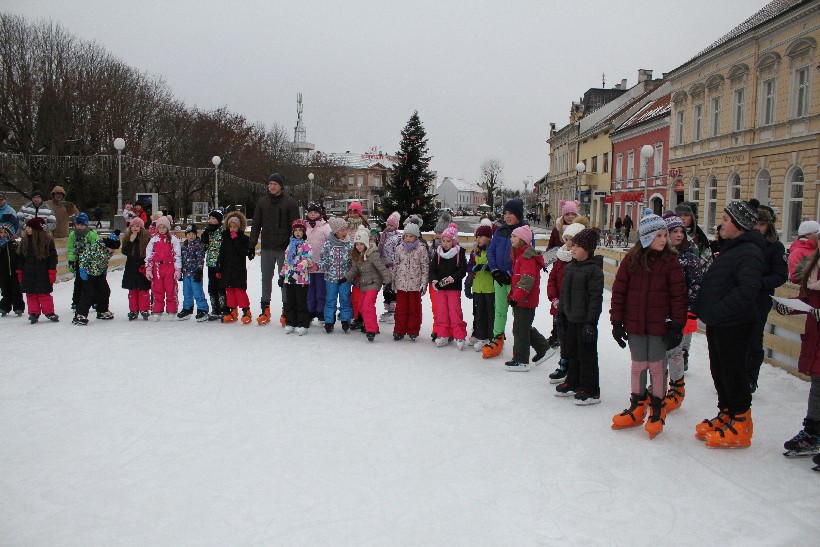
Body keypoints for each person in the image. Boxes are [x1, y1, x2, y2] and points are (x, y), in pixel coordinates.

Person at [610, 209, 687, 439]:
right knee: (637, 365)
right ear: (645, 237)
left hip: (659, 326)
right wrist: (616, 321)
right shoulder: (631, 260)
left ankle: (657, 408)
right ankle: (637, 406)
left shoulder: (671, 262)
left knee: (655, 366)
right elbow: (619, 291)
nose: (664, 240)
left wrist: (677, 325)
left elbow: (679, 296)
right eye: (659, 236)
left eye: (665, 235)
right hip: (635, 325)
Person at [693, 200, 763, 448]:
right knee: (720, 371)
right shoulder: (731, 248)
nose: (719, 224)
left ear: (739, 225)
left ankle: (742, 421)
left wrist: (716, 311)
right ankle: (727, 412)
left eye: (725, 220)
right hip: (720, 323)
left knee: (733, 371)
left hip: (735, 324)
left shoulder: (749, 252)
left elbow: (747, 290)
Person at [775, 247, 820, 462]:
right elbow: (808, 300)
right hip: (816, 339)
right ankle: (813, 433)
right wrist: (788, 307)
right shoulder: (814, 268)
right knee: (817, 387)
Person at [553, 228, 605, 402]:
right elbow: (563, 294)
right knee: (572, 352)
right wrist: (560, 315)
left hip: (585, 321)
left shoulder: (594, 271)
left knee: (587, 355)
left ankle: (591, 389)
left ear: (588, 249)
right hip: (570, 318)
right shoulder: (569, 268)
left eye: (578, 246)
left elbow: (595, 299)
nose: (573, 249)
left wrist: (591, 323)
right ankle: (573, 381)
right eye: (572, 245)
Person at [661, 211, 703, 413]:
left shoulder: (689, 258)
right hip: (661, 313)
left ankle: (677, 389)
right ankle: (659, 386)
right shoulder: (659, 256)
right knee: (660, 352)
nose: (678, 235)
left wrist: (689, 311)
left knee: (675, 351)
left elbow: (695, 287)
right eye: (673, 231)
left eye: (681, 231)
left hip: (680, 313)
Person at [745, 200, 788, 392]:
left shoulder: (775, 247)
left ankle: (750, 378)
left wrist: (760, 283)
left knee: (754, 338)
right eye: (755, 224)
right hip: (742, 296)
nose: (757, 228)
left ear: (767, 225)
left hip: (760, 299)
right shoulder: (745, 243)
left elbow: (780, 275)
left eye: (761, 224)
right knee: (738, 338)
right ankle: (736, 375)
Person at [483, 199, 533, 359]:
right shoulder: (499, 231)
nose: (507, 216)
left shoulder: (524, 232)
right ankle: (498, 339)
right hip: (499, 278)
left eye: (511, 213)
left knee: (518, 314)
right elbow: (491, 252)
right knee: (499, 310)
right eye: (505, 213)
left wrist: (511, 275)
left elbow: (527, 256)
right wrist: (495, 270)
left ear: (518, 214)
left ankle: (519, 345)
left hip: (515, 281)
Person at [248, 173, 300, 326]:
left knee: (284, 280)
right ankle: (265, 308)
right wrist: (252, 245)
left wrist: (294, 246)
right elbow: (256, 224)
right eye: (270, 184)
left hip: (284, 249)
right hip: (267, 247)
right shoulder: (262, 202)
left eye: (275, 184)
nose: (272, 187)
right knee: (266, 278)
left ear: (281, 186)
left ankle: (286, 308)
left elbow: (296, 227)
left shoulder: (290, 203)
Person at [504, 224, 552, 372]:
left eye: (514, 236)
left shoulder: (526, 258)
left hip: (525, 300)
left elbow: (527, 280)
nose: (511, 239)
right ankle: (544, 348)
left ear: (522, 240)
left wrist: (516, 297)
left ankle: (521, 360)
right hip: (521, 299)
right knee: (522, 328)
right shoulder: (518, 256)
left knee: (520, 329)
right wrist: (512, 295)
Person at [546, 220, 588, 383]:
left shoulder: (579, 260)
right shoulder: (560, 258)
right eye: (568, 239)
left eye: (574, 240)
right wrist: (554, 298)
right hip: (560, 306)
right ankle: (564, 365)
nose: (570, 243)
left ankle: (574, 368)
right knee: (563, 337)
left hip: (575, 308)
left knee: (573, 339)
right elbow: (551, 280)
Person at [346, 226, 391, 342]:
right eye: (357, 244)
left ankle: (370, 330)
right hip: (363, 284)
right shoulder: (356, 255)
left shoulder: (373, 254)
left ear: (366, 243)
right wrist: (345, 278)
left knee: (367, 305)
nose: (359, 246)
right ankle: (373, 326)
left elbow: (382, 268)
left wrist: (388, 281)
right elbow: (354, 270)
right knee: (361, 305)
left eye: (361, 244)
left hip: (374, 283)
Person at [429, 223, 467, 349]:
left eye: (448, 241)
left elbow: (462, 270)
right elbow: (432, 269)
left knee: (455, 311)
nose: (445, 243)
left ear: (454, 241)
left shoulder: (459, 253)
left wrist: (453, 278)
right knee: (442, 312)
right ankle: (443, 334)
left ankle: (459, 335)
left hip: (453, 288)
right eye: (443, 240)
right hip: (440, 288)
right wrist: (434, 280)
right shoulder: (438, 253)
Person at [392, 219, 429, 341]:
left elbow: (424, 267)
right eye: (406, 236)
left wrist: (424, 283)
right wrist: (394, 281)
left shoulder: (421, 249)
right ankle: (399, 330)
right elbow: (396, 265)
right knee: (401, 308)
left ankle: (413, 330)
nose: (408, 238)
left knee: (414, 308)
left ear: (416, 237)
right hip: (401, 284)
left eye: (411, 236)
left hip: (415, 285)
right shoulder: (399, 248)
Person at [73, 231, 121, 325]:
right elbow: (83, 258)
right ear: (108, 244)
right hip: (88, 273)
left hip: (99, 274)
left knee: (105, 290)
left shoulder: (108, 250)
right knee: (88, 294)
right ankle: (80, 315)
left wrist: (103, 271)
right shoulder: (95, 248)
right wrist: (82, 271)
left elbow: (103, 261)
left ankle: (102, 311)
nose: (113, 251)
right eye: (112, 248)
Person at [17, 217, 58, 323]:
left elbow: (52, 257)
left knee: (43, 293)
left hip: (43, 273)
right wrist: (20, 271)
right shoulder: (25, 241)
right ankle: (34, 312)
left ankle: (49, 312)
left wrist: (52, 271)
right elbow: (21, 257)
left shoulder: (47, 241)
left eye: (29, 227)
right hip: (28, 272)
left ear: (36, 228)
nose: (27, 229)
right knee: (30, 294)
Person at [217, 211, 253, 324]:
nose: (232, 229)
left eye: (235, 227)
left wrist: (236, 240)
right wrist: (219, 268)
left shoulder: (243, 239)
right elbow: (221, 254)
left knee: (239, 291)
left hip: (238, 270)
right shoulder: (225, 238)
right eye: (230, 227)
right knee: (229, 291)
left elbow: (244, 253)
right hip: (226, 269)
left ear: (239, 227)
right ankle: (233, 311)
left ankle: (246, 311)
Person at [319, 217, 353, 333]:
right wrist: (322, 264)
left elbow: (353, 261)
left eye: (345, 230)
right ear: (335, 231)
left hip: (345, 279)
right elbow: (323, 258)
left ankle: (345, 320)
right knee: (330, 300)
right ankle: (329, 321)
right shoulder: (328, 245)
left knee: (345, 299)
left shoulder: (349, 245)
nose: (344, 232)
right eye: (342, 230)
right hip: (331, 278)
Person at [145, 215, 182, 321]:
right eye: (160, 228)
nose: (161, 230)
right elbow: (149, 255)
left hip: (169, 266)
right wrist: (148, 268)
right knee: (157, 289)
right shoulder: (153, 240)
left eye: (163, 227)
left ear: (167, 228)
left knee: (170, 289)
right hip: (157, 268)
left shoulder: (173, 240)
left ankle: (171, 309)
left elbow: (177, 255)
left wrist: (177, 269)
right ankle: (157, 309)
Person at [281, 219, 313, 335]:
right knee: (290, 302)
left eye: (300, 230)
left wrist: (295, 274)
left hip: (301, 280)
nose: (298, 232)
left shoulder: (306, 245)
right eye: (296, 230)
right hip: (289, 279)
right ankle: (291, 322)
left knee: (301, 302)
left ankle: (303, 324)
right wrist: (282, 275)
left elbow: (306, 261)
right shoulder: (290, 245)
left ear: (304, 232)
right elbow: (286, 261)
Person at [466, 223, 495, 351]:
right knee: (479, 313)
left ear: (488, 238)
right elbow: (470, 266)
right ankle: (480, 335)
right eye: (477, 237)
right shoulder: (475, 252)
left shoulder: (491, 251)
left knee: (490, 313)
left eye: (481, 236)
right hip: (477, 287)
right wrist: (471, 272)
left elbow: (495, 265)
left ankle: (491, 337)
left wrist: (486, 267)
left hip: (490, 288)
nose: (478, 239)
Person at [66, 212, 99, 311]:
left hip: (90, 261)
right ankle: (76, 301)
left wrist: (94, 261)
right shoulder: (72, 234)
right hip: (79, 260)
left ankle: (94, 300)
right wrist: (71, 260)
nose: (79, 227)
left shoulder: (91, 234)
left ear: (86, 225)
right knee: (78, 282)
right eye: (78, 224)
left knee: (91, 282)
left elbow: (96, 248)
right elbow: (71, 248)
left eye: (82, 225)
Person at [121, 216, 152, 320]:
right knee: (132, 290)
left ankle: (144, 309)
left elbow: (150, 252)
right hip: (131, 268)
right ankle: (133, 310)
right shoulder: (127, 237)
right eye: (133, 226)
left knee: (143, 289)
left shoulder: (147, 237)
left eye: (137, 226)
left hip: (142, 267)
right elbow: (125, 251)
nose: (135, 228)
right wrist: (131, 241)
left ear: (141, 227)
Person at [345, 202, 369, 330]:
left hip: (360, 261)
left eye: (355, 212)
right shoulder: (345, 225)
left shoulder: (364, 226)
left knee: (360, 292)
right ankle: (352, 314)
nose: (352, 214)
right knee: (348, 292)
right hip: (347, 262)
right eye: (351, 211)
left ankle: (361, 316)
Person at [177, 224, 209, 322]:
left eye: (193, 234)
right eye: (189, 234)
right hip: (186, 274)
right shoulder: (184, 246)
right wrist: (181, 271)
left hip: (195, 274)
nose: (191, 236)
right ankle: (187, 309)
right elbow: (181, 259)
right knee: (186, 292)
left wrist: (199, 271)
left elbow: (200, 259)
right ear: (186, 235)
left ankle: (202, 309)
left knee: (197, 292)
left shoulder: (198, 245)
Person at [305, 203, 330, 324]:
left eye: (315, 212)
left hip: (321, 265)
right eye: (311, 212)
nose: (313, 214)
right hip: (308, 265)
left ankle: (321, 311)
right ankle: (310, 311)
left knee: (321, 290)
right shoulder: (305, 227)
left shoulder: (325, 227)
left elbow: (330, 243)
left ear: (320, 213)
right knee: (310, 290)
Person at [202, 209, 227, 321]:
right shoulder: (208, 231)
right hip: (211, 264)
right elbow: (204, 248)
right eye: (210, 218)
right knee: (212, 286)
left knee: (221, 286)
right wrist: (204, 240)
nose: (211, 221)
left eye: (214, 218)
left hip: (221, 264)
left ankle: (224, 308)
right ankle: (215, 308)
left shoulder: (223, 232)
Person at [378, 211, 402, 323]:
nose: (389, 227)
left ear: (396, 226)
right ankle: (388, 308)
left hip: (393, 267)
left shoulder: (397, 238)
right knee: (386, 288)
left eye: (392, 225)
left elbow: (398, 253)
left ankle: (394, 310)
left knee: (392, 288)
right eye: (388, 225)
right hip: (384, 267)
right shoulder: (383, 235)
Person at [0, 220, 24, 317]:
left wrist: (20, 269)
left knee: (16, 289)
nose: (4, 235)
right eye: (2, 233)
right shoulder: (0, 246)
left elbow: (20, 257)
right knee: (5, 290)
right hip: (3, 272)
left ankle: (18, 307)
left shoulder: (15, 245)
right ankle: (5, 307)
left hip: (14, 271)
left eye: (6, 232)